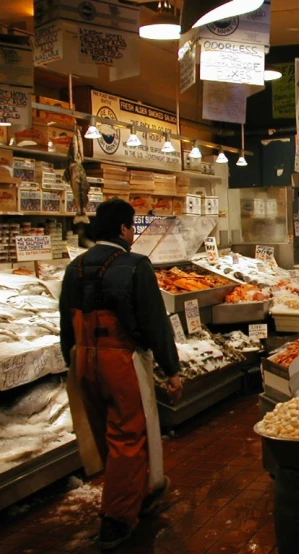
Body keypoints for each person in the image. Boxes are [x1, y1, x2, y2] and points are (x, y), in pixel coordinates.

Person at [59, 199, 183, 550]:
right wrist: (171, 369)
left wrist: (73, 363)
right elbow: (155, 323)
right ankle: (116, 519)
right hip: (121, 362)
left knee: (108, 438)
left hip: (83, 359)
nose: (133, 233)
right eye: (132, 227)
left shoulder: (75, 267)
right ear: (124, 229)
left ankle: (139, 491)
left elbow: (65, 325)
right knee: (128, 439)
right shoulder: (135, 266)